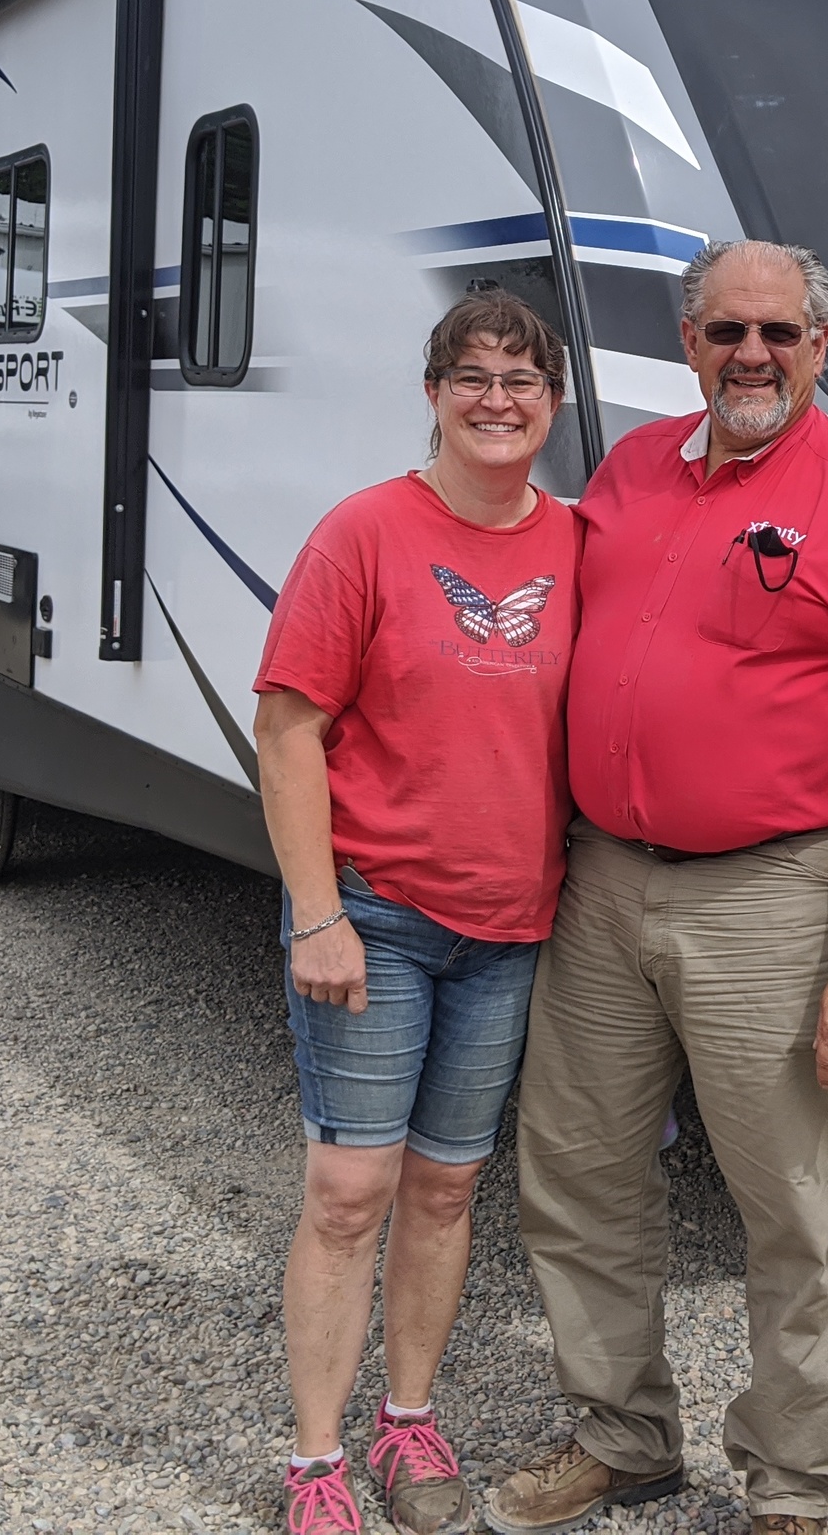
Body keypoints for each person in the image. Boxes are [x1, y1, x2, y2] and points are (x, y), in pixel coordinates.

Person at [485, 242, 828, 1535]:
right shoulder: (631, 473)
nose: (752, 354)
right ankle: (622, 1435)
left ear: (819, 347)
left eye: (779, 333)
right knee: (577, 1176)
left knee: (792, 1208)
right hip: (604, 882)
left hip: (775, 895)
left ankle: (790, 1489)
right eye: (726, 331)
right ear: (686, 340)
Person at [254, 291, 580, 1535]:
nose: (499, 399)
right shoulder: (366, 532)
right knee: (350, 1190)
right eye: (473, 376)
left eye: (523, 377)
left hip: (510, 928)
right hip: (378, 916)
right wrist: (316, 913)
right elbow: (288, 728)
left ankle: (408, 1421)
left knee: (446, 1191)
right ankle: (315, 1462)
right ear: (433, 392)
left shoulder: (578, 542)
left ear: (554, 399)